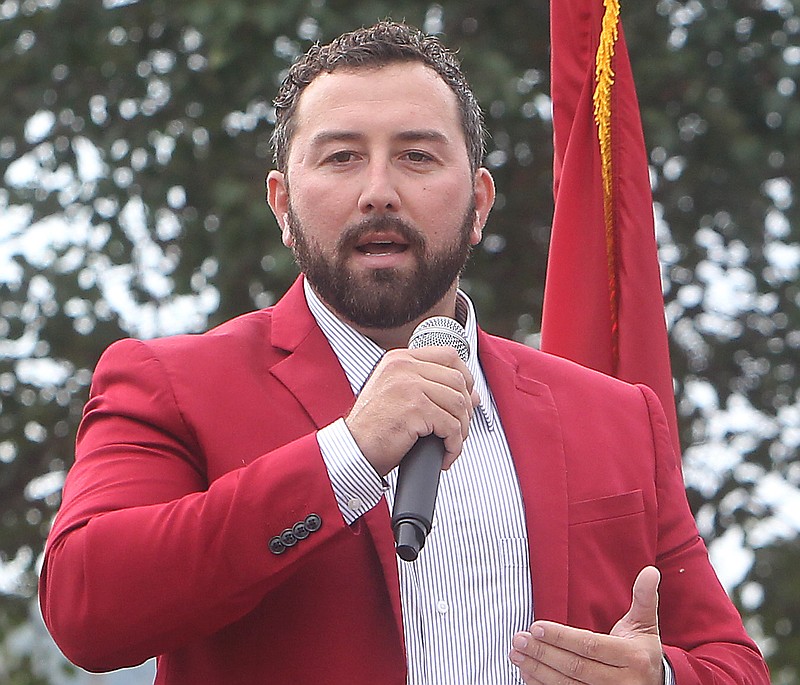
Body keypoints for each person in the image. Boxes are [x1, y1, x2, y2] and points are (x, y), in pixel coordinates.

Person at [39, 21, 769, 685]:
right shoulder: (172, 382)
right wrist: (348, 455)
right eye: (342, 157)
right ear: (283, 207)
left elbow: (733, 663)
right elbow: (86, 608)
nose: (379, 191)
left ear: (480, 203)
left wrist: (662, 678)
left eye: (417, 156)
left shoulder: (614, 414)